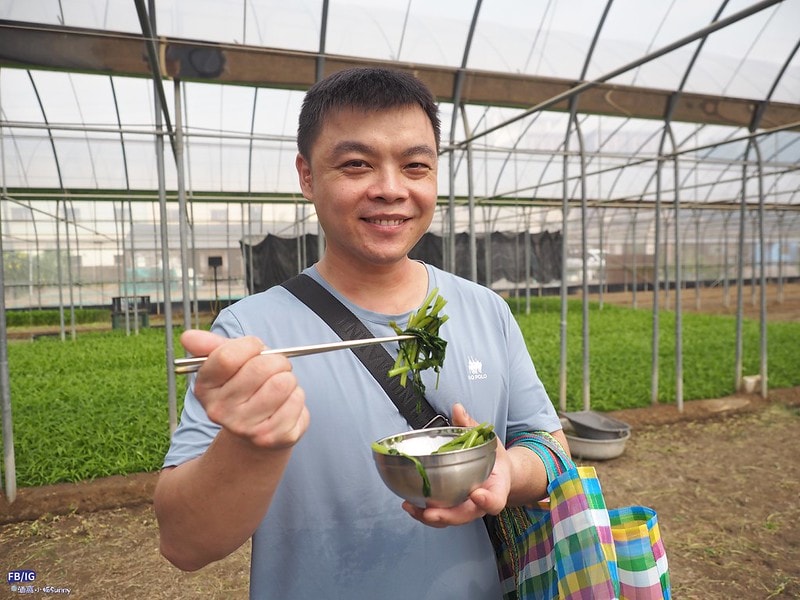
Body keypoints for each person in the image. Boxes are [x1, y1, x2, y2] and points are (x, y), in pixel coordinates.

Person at [154, 67, 568, 599]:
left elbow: (551, 448)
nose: (391, 189)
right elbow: (184, 546)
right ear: (307, 176)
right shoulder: (251, 332)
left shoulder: (486, 309)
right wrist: (250, 443)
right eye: (356, 164)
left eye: (416, 166)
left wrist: (507, 469)